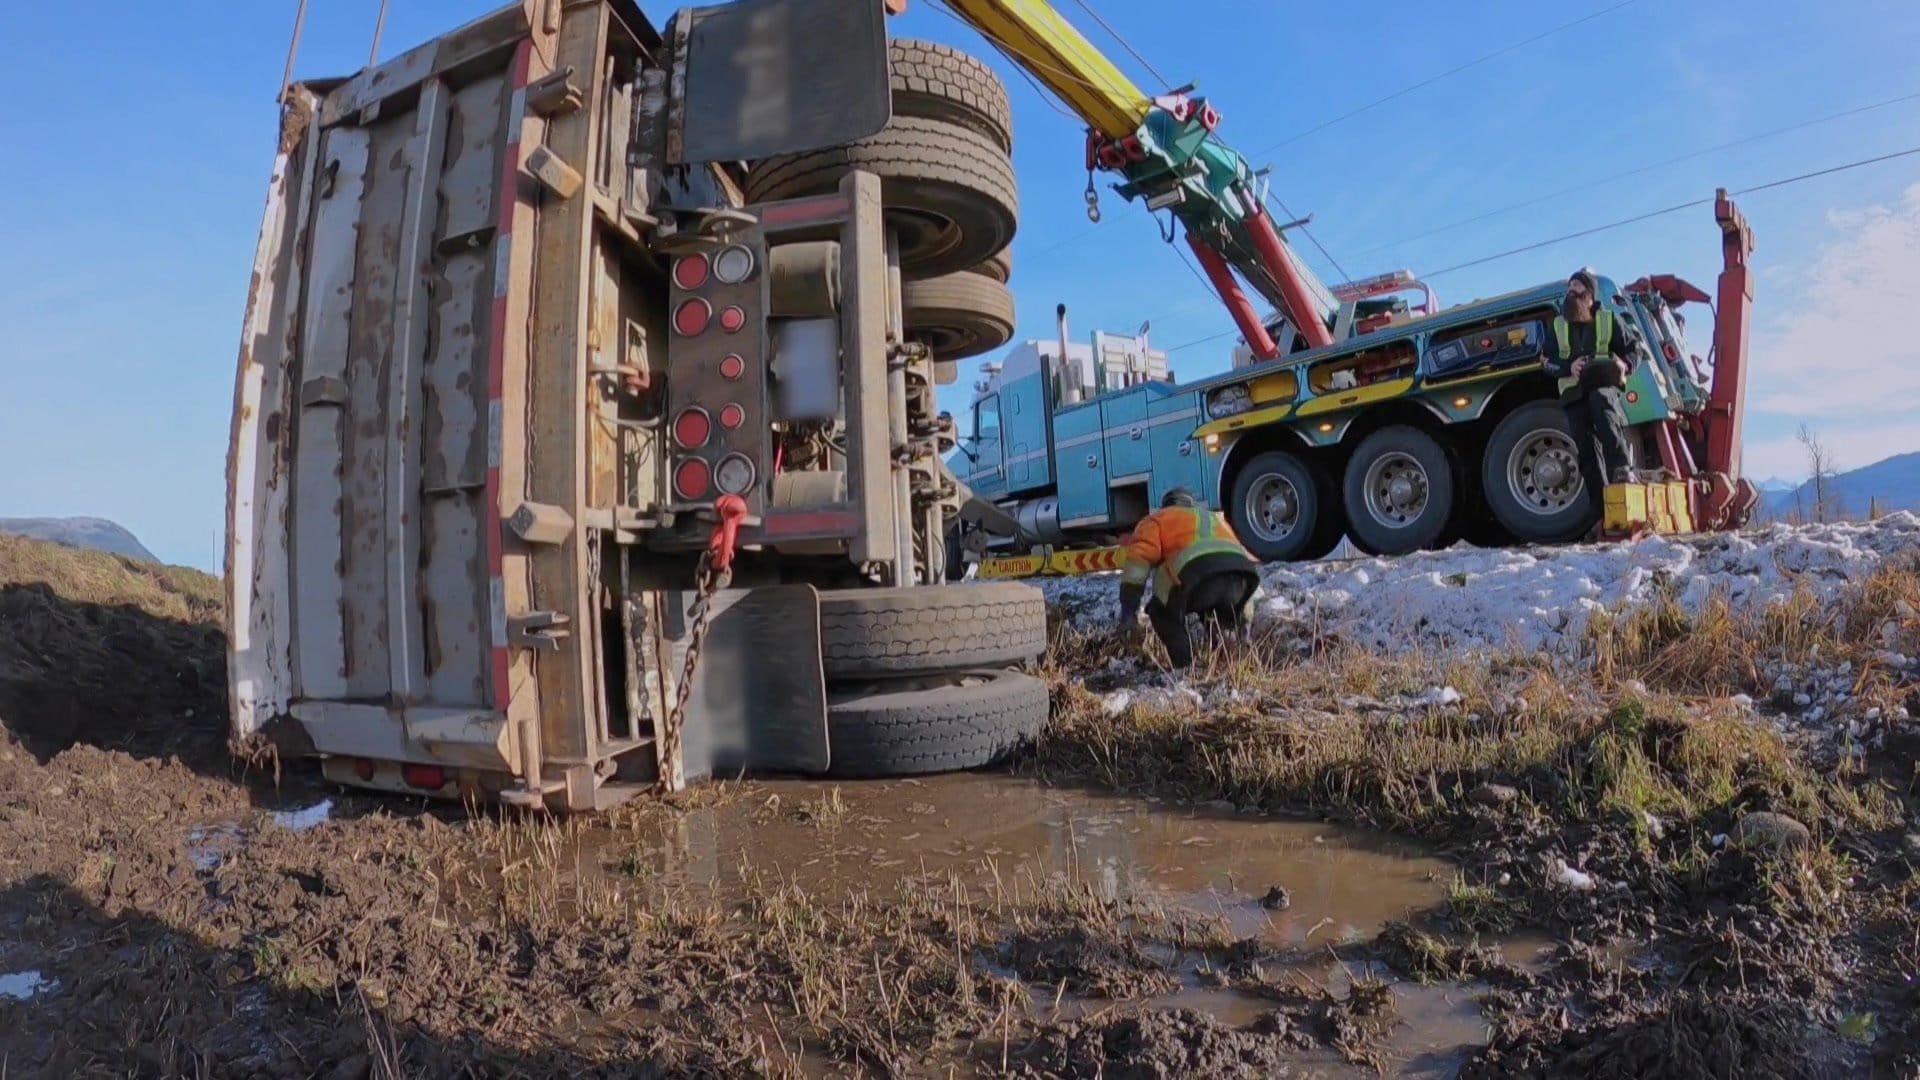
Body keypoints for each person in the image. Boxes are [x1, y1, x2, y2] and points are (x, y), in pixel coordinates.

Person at [1118, 488, 1262, 669]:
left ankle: (1185, 668)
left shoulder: (1157, 519)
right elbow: (1236, 556)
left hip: (1197, 577)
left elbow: (1137, 564)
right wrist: (1244, 620)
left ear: (1166, 506)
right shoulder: (1213, 519)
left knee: (1160, 612)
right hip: (1242, 580)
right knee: (1216, 612)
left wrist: (1128, 610)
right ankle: (1228, 662)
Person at [1544, 269, 1641, 495]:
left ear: (1589, 296)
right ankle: (1600, 511)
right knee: (1585, 448)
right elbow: (1546, 360)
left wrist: (1625, 366)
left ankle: (1622, 470)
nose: (1570, 293)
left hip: (1602, 385)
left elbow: (1635, 349)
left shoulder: (1608, 319)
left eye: (1576, 288)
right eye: (1569, 288)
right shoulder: (1558, 325)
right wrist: (1569, 367)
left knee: (1604, 410)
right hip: (1573, 393)